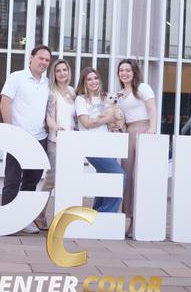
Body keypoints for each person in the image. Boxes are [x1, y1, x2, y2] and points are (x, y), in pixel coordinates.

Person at [0, 44, 52, 234]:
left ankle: (23, 220)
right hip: (19, 136)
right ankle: (6, 221)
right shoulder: (17, 77)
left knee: (31, 182)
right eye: (41, 58)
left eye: (47, 60)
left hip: (40, 138)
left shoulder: (48, 83)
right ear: (31, 58)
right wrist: (10, 130)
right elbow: (5, 102)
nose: (43, 62)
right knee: (12, 181)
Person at [74, 67, 126, 213]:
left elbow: (116, 114)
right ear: (84, 82)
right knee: (119, 176)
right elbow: (86, 123)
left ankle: (96, 214)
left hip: (108, 145)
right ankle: (106, 213)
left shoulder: (105, 97)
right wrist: (109, 118)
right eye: (89, 79)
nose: (93, 81)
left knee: (105, 181)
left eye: (96, 78)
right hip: (91, 146)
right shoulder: (81, 99)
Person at [116, 59, 157, 234]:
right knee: (127, 175)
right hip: (128, 133)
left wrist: (152, 129)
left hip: (143, 130)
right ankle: (128, 216)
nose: (124, 73)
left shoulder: (143, 88)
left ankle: (141, 219)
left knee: (141, 175)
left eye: (127, 70)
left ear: (134, 72)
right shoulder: (119, 94)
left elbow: (152, 109)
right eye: (121, 70)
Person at [35, 59, 77, 230]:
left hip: (72, 144)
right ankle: (39, 215)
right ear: (54, 74)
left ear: (69, 72)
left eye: (64, 70)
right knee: (51, 179)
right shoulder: (52, 92)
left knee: (68, 180)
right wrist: (56, 128)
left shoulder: (73, 92)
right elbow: (49, 118)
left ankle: (64, 219)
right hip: (56, 141)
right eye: (58, 70)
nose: (62, 73)